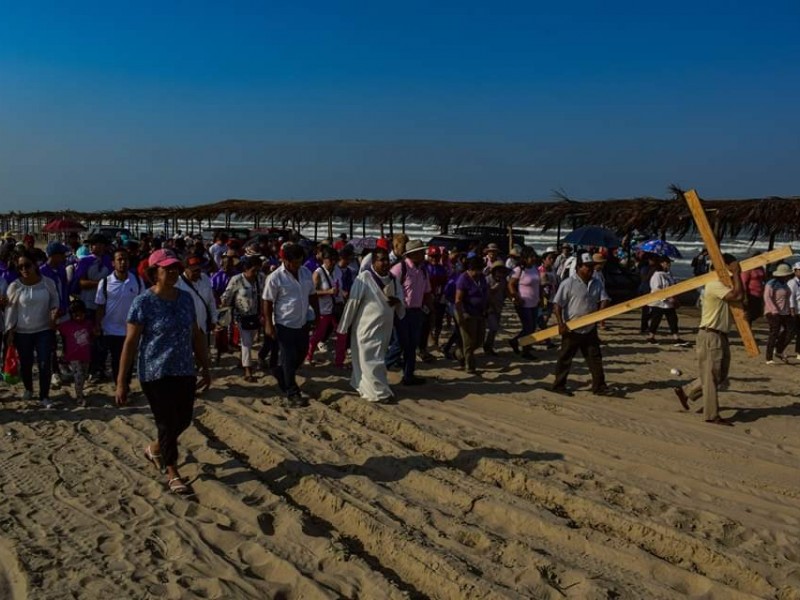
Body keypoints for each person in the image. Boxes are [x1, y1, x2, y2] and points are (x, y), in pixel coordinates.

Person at [116, 248, 211, 495]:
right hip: (155, 372)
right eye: (167, 268)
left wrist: (205, 366)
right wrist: (121, 382)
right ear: (154, 272)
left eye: (175, 268)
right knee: (167, 422)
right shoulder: (143, 302)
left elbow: (195, 333)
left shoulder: (185, 298)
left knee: (184, 419)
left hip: (184, 369)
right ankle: (172, 471)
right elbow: (130, 342)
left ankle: (155, 448)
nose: (173, 272)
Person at [673, 254, 743, 426]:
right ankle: (712, 415)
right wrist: (738, 274)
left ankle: (688, 391)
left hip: (720, 335)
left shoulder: (723, 285)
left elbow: (741, 298)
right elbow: (736, 296)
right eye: (732, 267)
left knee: (720, 374)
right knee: (711, 376)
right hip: (711, 335)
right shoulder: (715, 284)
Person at [337, 248, 404, 403]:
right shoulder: (365, 278)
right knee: (370, 359)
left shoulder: (393, 278)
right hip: (366, 328)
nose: (385, 263)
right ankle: (379, 393)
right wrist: (344, 326)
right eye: (381, 260)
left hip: (384, 328)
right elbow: (353, 302)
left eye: (387, 259)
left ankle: (365, 386)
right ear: (373, 262)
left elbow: (400, 298)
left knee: (377, 357)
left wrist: (397, 301)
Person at [263, 243, 319, 404]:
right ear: (285, 260)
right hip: (283, 323)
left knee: (300, 355)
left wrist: (317, 313)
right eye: (294, 262)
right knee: (288, 358)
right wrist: (268, 324)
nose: (297, 265)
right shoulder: (275, 277)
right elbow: (266, 301)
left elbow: (312, 294)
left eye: (300, 261)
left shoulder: (306, 272)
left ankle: (281, 373)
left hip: (302, 322)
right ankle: (292, 392)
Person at [550, 252, 611, 397]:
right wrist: (561, 324)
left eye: (591, 266)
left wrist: (601, 313)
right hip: (572, 328)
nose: (590, 269)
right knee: (565, 357)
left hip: (589, 327)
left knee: (595, 358)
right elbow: (557, 305)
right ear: (578, 267)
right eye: (586, 267)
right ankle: (559, 385)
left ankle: (599, 386)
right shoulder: (568, 283)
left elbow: (604, 298)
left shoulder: (597, 283)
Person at [4, 250, 60, 407]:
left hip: (44, 330)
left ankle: (44, 396)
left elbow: (55, 301)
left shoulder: (48, 283)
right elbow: (11, 310)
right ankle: (29, 388)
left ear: (35, 265)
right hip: (23, 332)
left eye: (27, 265)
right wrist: (10, 332)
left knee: (44, 364)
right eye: (20, 267)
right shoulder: (15, 286)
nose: (24, 269)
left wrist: (54, 313)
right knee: (26, 364)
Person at [95, 248, 144, 387]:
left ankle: (124, 385)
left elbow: (142, 305)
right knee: (117, 359)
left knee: (128, 359)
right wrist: (97, 325)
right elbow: (100, 306)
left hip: (131, 329)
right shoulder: (104, 283)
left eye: (125, 259)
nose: (123, 262)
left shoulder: (137, 281)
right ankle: (121, 385)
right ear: (113, 263)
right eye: (119, 260)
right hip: (110, 328)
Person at [388, 239, 432, 386]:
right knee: (399, 343)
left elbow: (427, 292)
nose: (423, 254)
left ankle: (408, 375)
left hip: (416, 312)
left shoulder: (423, 270)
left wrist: (428, 309)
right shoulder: (400, 269)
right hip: (401, 311)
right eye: (420, 252)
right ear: (412, 254)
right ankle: (380, 368)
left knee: (412, 345)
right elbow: (388, 289)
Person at [71, 234, 112, 380]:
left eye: (102, 244)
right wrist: (101, 283)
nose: (99, 247)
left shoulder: (109, 260)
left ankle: (98, 367)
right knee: (87, 338)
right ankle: (88, 368)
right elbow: (80, 283)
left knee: (102, 338)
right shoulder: (85, 261)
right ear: (91, 246)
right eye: (96, 244)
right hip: (88, 303)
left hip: (105, 304)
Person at [221, 255, 266, 382]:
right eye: (254, 270)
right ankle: (248, 370)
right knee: (247, 343)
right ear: (246, 269)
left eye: (258, 270)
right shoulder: (236, 280)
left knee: (249, 340)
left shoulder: (261, 278)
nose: (256, 273)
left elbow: (265, 295)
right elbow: (227, 296)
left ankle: (242, 361)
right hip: (240, 316)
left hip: (255, 315)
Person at [307, 247, 347, 367]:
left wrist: (343, 293)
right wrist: (328, 292)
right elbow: (312, 293)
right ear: (324, 260)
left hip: (336, 307)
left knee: (342, 335)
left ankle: (339, 361)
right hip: (323, 310)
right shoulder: (318, 273)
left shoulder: (338, 271)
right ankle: (308, 356)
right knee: (318, 335)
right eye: (330, 259)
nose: (333, 262)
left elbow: (339, 287)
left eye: (335, 259)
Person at [455, 256, 489, 373]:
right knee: (469, 341)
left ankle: (459, 353)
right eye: (475, 270)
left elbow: (485, 293)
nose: (477, 272)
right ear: (470, 269)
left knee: (479, 340)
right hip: (467, 312)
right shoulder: (463, 279)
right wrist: (461, 316)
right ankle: (470, 366)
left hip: (480, 312)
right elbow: (458, 300)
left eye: (479, 269)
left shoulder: (482, 278)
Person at [58, 299, 93, 406]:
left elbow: (93, 335)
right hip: (73, 356)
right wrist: (53, 317)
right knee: (78, 375)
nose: (79, 317)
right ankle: (79, 397)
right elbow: (54, 327)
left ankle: (80, 391)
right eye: (76, 315)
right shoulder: (67, 325)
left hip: (86, 355)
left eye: (81, 314)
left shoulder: (88, 324)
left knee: (84, 375)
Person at [507, 247, 540, 360]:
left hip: (534, 302)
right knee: (528, 327)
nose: (534, 259)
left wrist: (541, 298)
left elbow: (537, 285)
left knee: (532, 327)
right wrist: (516, 297)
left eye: (534, 256)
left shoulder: (535, 268)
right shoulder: (518, 270)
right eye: (531, 257)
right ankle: (525, 350)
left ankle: (516, 342)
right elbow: (510, 285)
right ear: (525, 258)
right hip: (523, 303)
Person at [645, 256, 686, 345]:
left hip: (668, 303)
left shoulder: (667, 274)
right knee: (656, 320)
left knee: (673, 320)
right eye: (667, 263)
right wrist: (667, 298)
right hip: (658, 302)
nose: (669, 265)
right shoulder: (657, 275)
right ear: (662, 263)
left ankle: (676, 338)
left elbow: (671, 285)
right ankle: (651, 337)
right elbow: (656, 289)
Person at [176, 255, 219, 339]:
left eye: (199, 270)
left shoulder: (205, 278)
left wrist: (214, 319)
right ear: (186, 269)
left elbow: (211, 301)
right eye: (194, 270)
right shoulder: (178, 284)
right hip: (186, 331)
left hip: (203, 328)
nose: (197, 273)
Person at [763, 263, 793, 364]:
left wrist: (790, 310)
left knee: (790, 331)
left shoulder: (785, 284)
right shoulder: (771, 283)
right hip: (773, 312)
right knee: (774, 333)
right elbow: (767, 298)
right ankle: (769, 358)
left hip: (785, 311)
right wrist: (774, 310)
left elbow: (787, 298)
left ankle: (779, 349)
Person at [483, 260, 508, 355]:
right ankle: (487, 346)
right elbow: (487, 294)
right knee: (493, 327)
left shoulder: (503, 281)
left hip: (498, 306)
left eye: (502, 272)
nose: (500, 274)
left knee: (494, 329)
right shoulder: (487, 279)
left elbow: (505, 292)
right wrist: (495, 288)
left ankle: (489, 346)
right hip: (489, 307)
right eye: (499, 271)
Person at [741, 256, 766, 324]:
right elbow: (744, 283)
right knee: (750, 314)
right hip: (751, 294)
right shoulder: (748, 269)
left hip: (759, 294)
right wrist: (745, 297)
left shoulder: (761, 268)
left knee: (757, 313)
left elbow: (764, 279)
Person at [788, 262, 800, 360]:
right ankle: (779, 348)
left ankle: (799, 352)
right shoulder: (792, 283)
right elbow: (791, 298)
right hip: (795, 312)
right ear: (795, 271)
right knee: (791, 333)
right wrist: (792, 311)